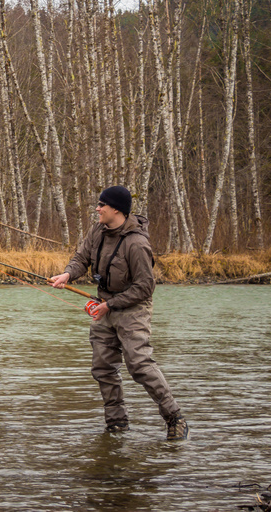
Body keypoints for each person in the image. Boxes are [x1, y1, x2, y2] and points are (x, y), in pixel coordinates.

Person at [48, 185, 189, 440]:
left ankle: (174, 418)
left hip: (133, 309)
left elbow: (145, 287)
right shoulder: (97, 231)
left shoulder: (136, 244)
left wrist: (110, 305)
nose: (97, 208)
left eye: (102, 205)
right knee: (103, 368)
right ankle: (116, 425)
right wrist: (67, 274)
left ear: (116, 209)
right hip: (104, 306)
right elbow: (81, 258)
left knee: (139, 366)